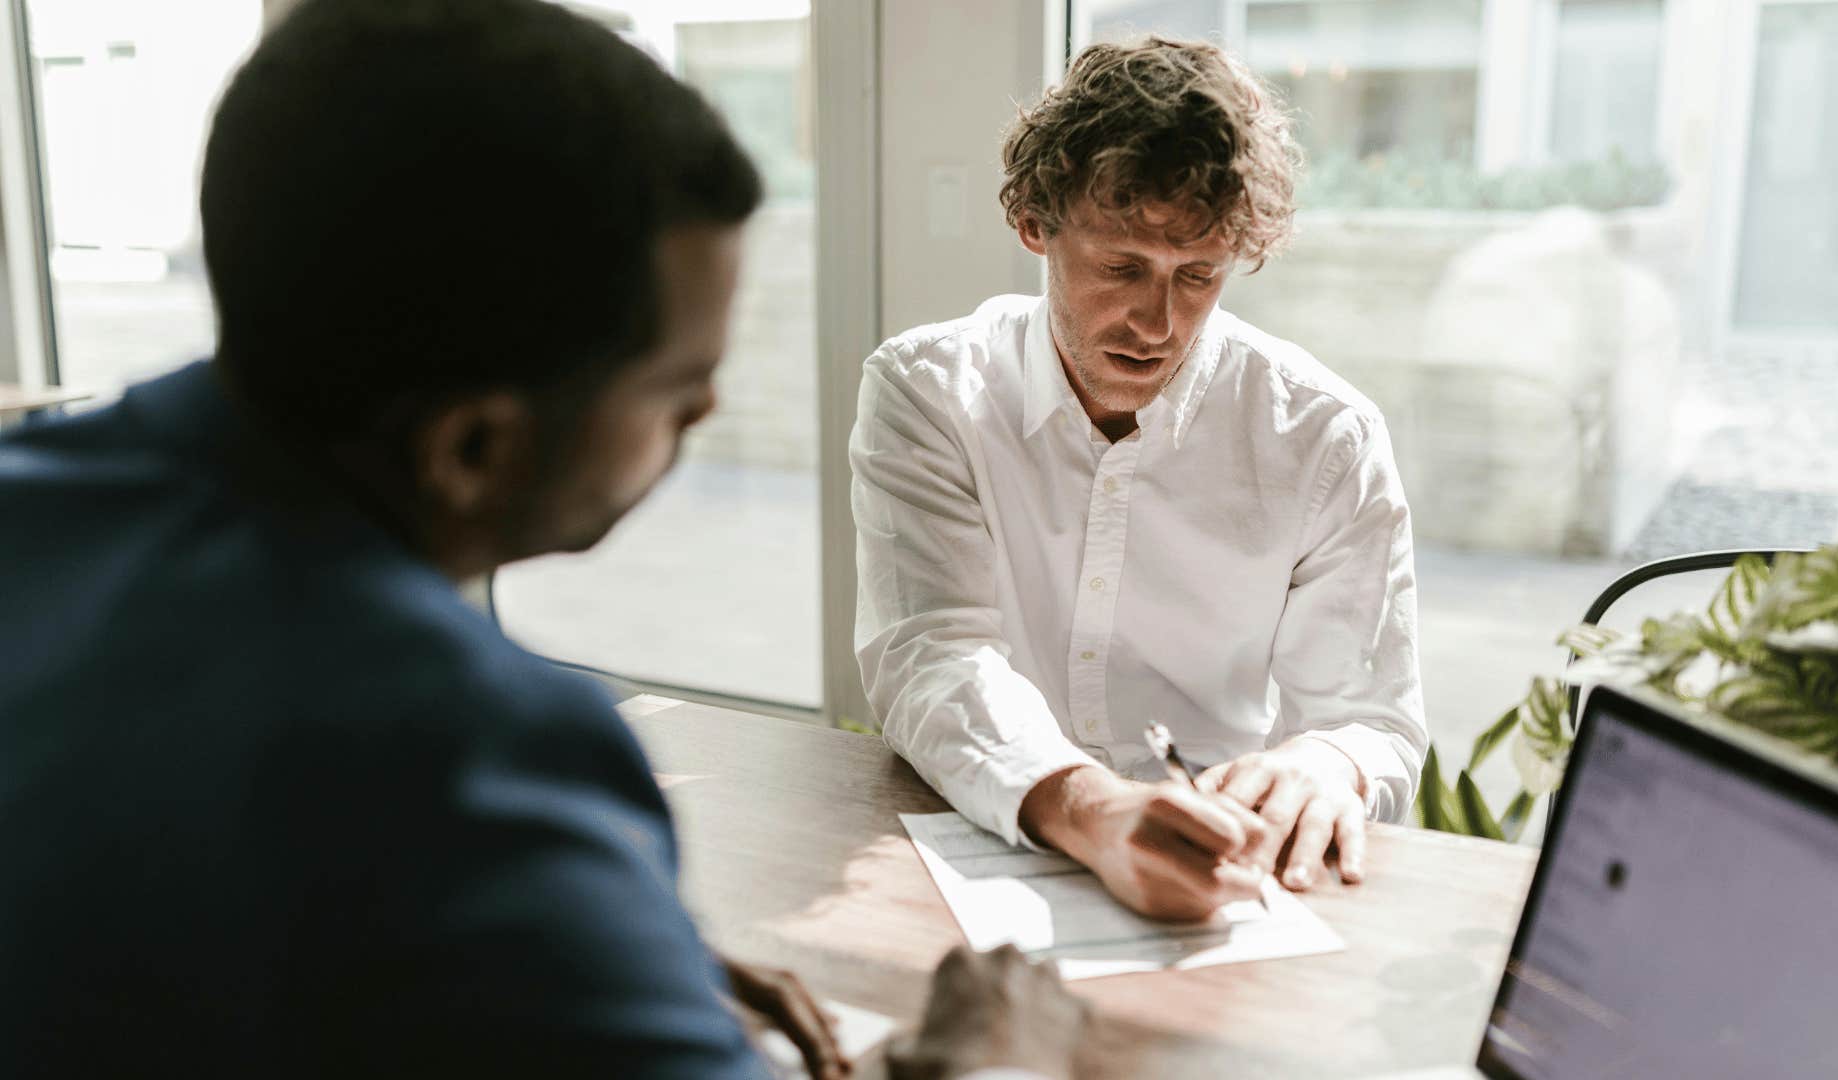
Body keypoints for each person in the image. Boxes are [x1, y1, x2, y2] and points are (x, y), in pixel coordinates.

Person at [0, 1, 1080, 1076]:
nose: (708, 415)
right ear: (473, 449)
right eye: (677, 388)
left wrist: (574, 963)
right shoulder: (473, 755)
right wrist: (989, 1062)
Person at [851, 37, 1428, 921]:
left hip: (1224, 872)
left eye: (1197, 278)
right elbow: (931, 653)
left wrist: (1326, 763)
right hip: (974, 846)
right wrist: (1093, 808)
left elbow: (1373, 721)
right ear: (1035, 225)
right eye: (1122, 268)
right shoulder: (929, 392)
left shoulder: (1325, 437)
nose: (1159, 324)